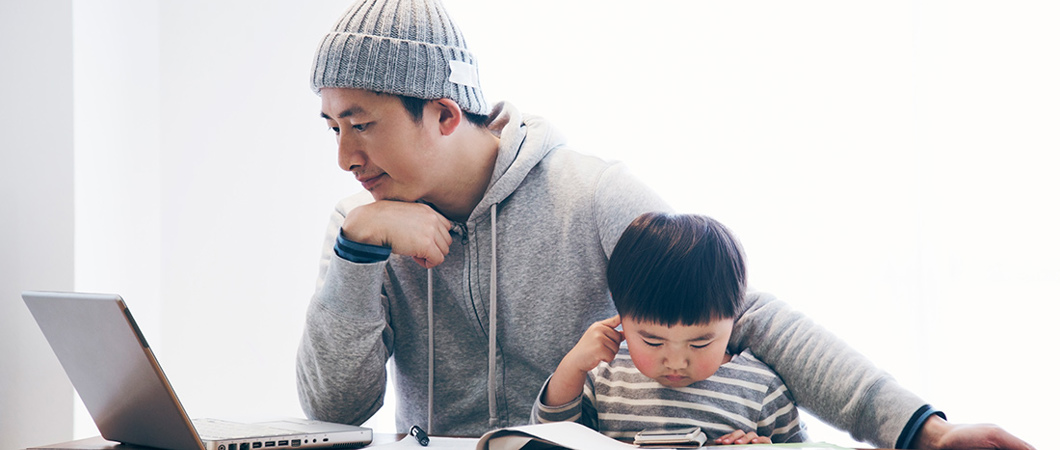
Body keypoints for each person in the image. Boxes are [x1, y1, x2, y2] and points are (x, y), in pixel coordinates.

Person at [294, 0, 1035, 448]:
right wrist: (356, 252)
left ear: (446, 113)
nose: (344, 156)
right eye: (331, 127)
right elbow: (334, 410)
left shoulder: (589, 197)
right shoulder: (364, 225)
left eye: (360, 124)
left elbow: (746, 316)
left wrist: (923, 430)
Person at [531, 212, 807, 445]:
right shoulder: (604, 376)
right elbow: (543, 443)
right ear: (621, 315)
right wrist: (571, 368)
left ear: (734, 317)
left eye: (700, 343)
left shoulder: (762, 389)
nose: (676, 362)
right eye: (653, 342)